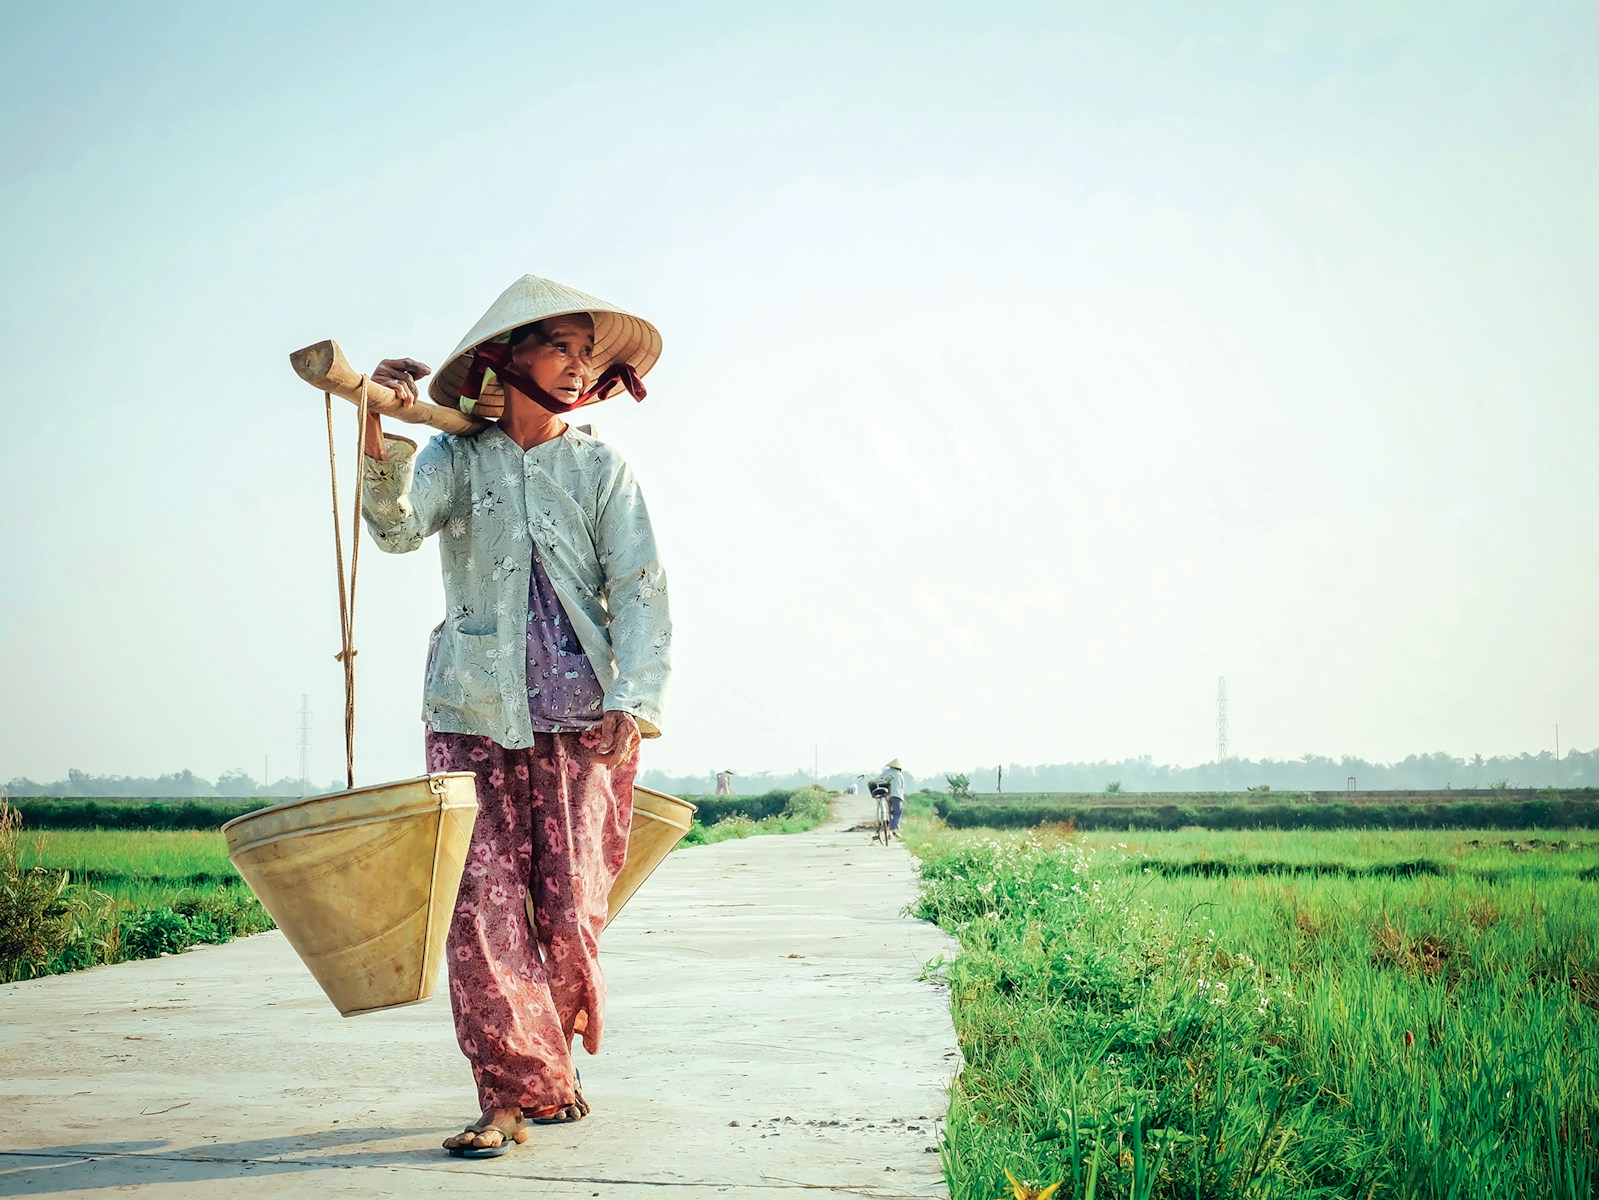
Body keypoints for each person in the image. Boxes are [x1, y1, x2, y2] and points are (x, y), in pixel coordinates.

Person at [359, 274, 671, 1158]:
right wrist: (378, 422)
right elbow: (392, 529)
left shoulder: (598, 466)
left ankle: (550, 1068)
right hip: (471, 712)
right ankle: (506, 1097)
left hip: (578, 717)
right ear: (508, 356)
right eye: (559, 347)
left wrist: (632, 701)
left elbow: (639, 587)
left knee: (568, 911)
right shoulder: (455, 459)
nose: (576, 367)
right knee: (481, 913)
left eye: (586, 353)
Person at [882, 758, 906, 838]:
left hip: (885, 795)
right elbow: (902, 787)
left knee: (887, 813)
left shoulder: (884, 773)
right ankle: (894, 830)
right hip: (897, 796)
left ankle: (888, 831)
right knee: (897, 813)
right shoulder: (899, 775)